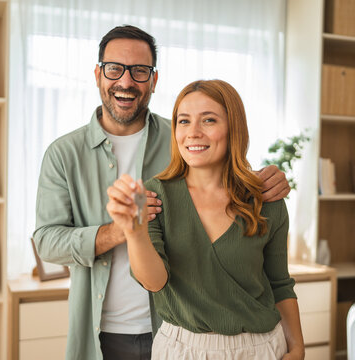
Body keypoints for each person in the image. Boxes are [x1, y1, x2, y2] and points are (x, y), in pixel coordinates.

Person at [34, 25, 291, 360]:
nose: (126, 82)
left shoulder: (185, 137)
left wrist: (270, 180)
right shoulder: (63, 153)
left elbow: (231, 179)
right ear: (98, 74)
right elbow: (46, 241)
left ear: (154, 81)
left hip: (174, 329)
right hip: (104, 332)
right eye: (114, 69)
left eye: (140, 71)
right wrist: (120, 230)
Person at [106, 79, 304, 360]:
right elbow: (154, 282)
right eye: (183, 121)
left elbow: (280, 283)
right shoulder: (152, 194)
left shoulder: (265, 197)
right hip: (181, 350)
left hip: (261, 348)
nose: (193, 133)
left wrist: (298, 348)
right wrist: (134, 232)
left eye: (208, 120)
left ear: (233, 127)